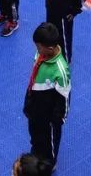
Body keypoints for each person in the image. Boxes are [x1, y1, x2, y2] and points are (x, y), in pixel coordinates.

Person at [24, 22, 70, 170]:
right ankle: (37, 153)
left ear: (50, 48)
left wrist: (56, 121)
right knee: (35, 136)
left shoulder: (61, 71)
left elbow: (64, 100)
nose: (36, 50)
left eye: (38, 47)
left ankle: (49, 164)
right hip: (35, 108)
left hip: (49, 118)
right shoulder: (41, 55)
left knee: (48, 143)